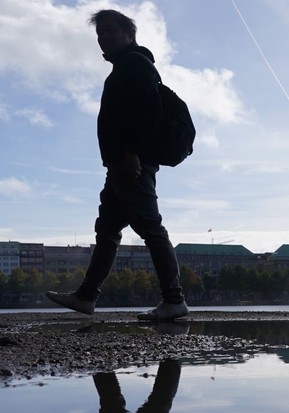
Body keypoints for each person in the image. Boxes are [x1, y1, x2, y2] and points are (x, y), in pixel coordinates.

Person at [46, 9, 188, 321]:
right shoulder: (125, 66)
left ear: (129, 34)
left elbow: (150, 111)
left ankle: (174, 300)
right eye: (100, 34)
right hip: (120, 165)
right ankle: (86, 297)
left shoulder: (134, 64)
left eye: (110, 31)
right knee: (108, 231)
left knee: (150, 228)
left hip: (131, 164)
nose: (104, 38)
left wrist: (132, 152)